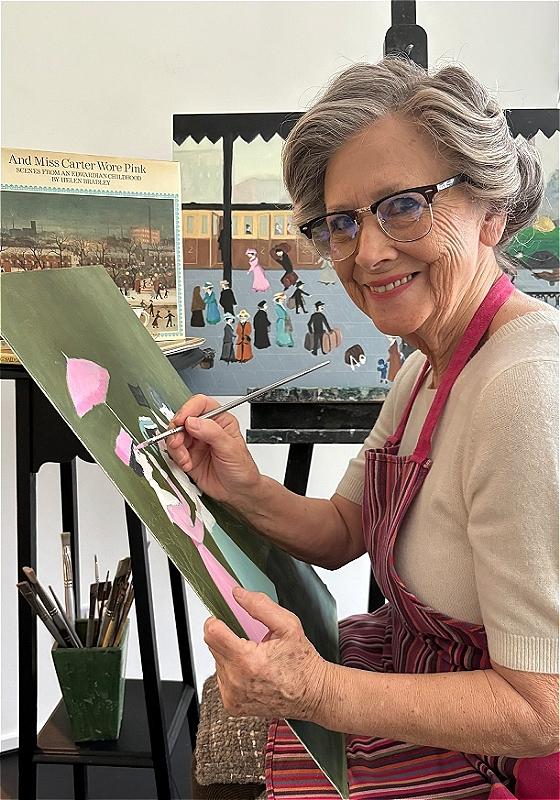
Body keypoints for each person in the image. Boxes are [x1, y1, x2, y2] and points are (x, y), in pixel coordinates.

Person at [167, 56, 559, 800]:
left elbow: (544, 709)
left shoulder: (525, 389)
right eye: (343, 223)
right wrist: (242, 486)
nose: (369, 252)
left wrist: (317, 691)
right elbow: (348, 528)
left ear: (491, 209)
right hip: (422, 681)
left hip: (508, 764)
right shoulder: (423, 369)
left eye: (404, 205)